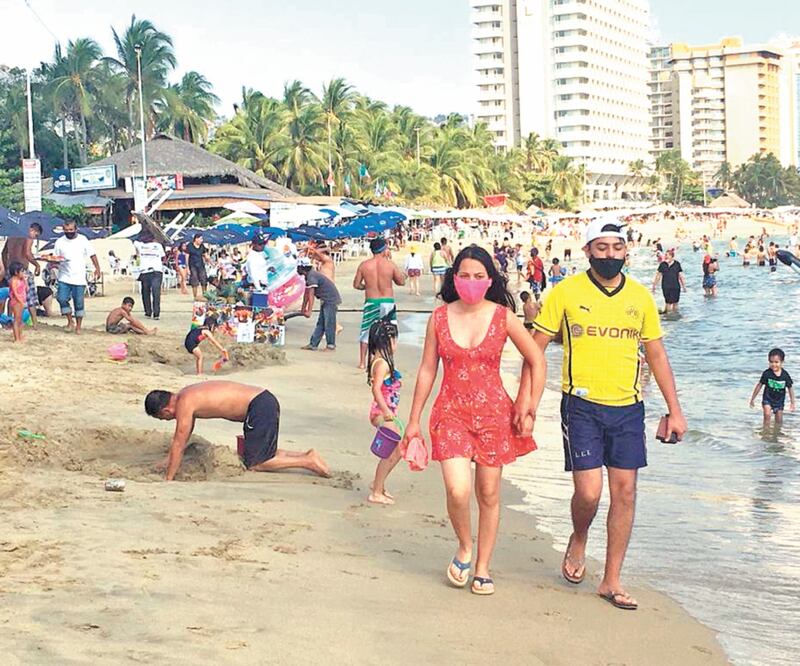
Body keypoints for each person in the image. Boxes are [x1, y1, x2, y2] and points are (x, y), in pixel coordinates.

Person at [532, 217, 687, 611]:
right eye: (601, 248)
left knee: (625, 492)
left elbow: (656, 354)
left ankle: (611, 579)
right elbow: (536, 349)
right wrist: (525, 404)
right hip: (580, 405)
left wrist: (675, 410)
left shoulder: (639, 298)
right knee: (588, 493)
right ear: (587, 251)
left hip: (628, 409)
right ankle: (579, 537)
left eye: (617, 248)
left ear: (626, 251)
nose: (610, 256)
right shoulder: (564, 293)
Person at [404, 245, 545, 596]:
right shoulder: (438, 318)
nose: (471, 282)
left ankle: (483, 566)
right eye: (464, 275)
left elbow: (536, 359)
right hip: (449, 412)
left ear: (490, 280)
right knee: (457, 489)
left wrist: (528, 403)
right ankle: (465, 546)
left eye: (479, 276)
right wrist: (413, 420)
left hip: (495, 415)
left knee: (488, 492)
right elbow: (426, 369)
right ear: (454, 278)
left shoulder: (503, 316)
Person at [144, 381, 330, 481]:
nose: (170, 420)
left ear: (165, 411)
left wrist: (169, 478)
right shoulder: (186, 394)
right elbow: (182, 441)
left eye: (165, 419)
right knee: (263, 452)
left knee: (256, 463)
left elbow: (178, 441)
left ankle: (307, 462)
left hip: (258, 406)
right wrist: (167, 461)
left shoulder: (185, 403)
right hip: (263, 400)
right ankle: (306, 455)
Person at [366, 320, 404, 505]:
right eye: (395, 340)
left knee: (397, 450)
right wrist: (387, 411)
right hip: (381, 412)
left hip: (385, 412)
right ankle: (376, 491)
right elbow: (376, 389)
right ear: (388, 341)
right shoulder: (381, 364)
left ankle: (378, 484)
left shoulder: (380, 360)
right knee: (390, 452)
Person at [354, 237, 405, 369]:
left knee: (366, 330)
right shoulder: (390, 265)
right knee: (390, 330)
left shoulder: (364, 265)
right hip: (387, 301)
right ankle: (387, 359)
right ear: (384, 249)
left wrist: (368, 287)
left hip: (371, 300)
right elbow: (401, 281)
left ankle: (362, 362)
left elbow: (356, 285)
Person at [47, 220, 101, 335]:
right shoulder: (59, 242)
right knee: (61, 298)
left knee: (79, 303)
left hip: (79, 277)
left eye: (71, 230)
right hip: (64, 276)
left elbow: (92, 254)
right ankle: (70, 321)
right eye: (66, 230)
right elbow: (56, 258)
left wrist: (97, 268)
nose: (69, 232)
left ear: (76, 229)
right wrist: (52, 263)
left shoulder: (83, 240)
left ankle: (79, 326)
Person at [1, 221, 42, 328]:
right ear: (33, 230)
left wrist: (6, 267)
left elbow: (4, 253)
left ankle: (9, 321)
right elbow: (27, 253)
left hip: (11, 269)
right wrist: (37, 265)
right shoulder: (28, 236)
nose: (34, 237)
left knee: (12, 296)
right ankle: (35, 323)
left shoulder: (12, 236)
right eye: (36, 235)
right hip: (22, 269)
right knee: (30, 297)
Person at [298, 257, 341, 351]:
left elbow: (311, 295)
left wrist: (309, 310)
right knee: (321, 323)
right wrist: (303, 308)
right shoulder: (309, 276)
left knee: (329, 323)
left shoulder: (311, 276)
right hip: (326, 299)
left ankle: (331, 345)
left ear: (302, 268)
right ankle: (313, 344)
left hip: (330, 299)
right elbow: (307, 292)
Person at [749, 348, 795, 430]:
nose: (773, 364)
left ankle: (776, 434)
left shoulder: (785, 375)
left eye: (776, 362)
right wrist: (753, 399)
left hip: (779, 401)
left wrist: (792, 403)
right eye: (771, 362)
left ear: (782, 362)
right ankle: (765, 431)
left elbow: (790, 388)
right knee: (767, 415)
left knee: (779, 421)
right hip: (768, 399)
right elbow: (759, 385)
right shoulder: (767, 373)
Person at [134, 233, 165, 320]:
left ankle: (154, 313)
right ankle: (150, 312)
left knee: (150, 292)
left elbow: (134, 240)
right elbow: (163, 257)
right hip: (148, 271)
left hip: (155, 271)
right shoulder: (145, 245)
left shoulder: (155, 245)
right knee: (150, 292)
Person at [7, 261, 27, 342]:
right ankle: (17, 338)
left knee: (20, 320)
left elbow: (26, 289)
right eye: (22, 271)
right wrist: (21, 301)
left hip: (21, 301)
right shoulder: (13, 280)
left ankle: (20, 335)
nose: (23, 273)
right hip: (16, 302)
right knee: (17, 320)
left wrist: (25, 280)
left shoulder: (20, 280)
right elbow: (15, 293)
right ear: (16, 272)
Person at [187, 233, 209, 301]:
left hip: (201, 265)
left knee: (204, 279)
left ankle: (205, 295)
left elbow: (205, 255)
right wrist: (187, 267)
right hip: (192, 265)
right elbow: (187, 256)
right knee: (194, 281)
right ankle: (195, 297)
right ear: (196, 239)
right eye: (201, 239)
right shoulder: (190, 245)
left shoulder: (202, 246)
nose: (202, 240)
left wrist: (209, 260)